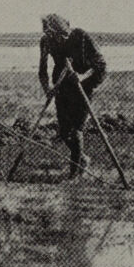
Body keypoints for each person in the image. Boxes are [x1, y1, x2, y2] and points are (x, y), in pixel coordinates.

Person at [38, 13, 107, 176]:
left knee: (76, 130)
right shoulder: (46, 41)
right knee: (64, 132)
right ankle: (82, 158)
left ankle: (74, 173)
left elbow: (101, 65)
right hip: (62, 87)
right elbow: (42, 70)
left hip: (83, 87)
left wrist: (82, 77)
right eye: (57, 37)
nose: (60, 40)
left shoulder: (81, 37)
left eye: (63, 37)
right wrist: (47, 89)